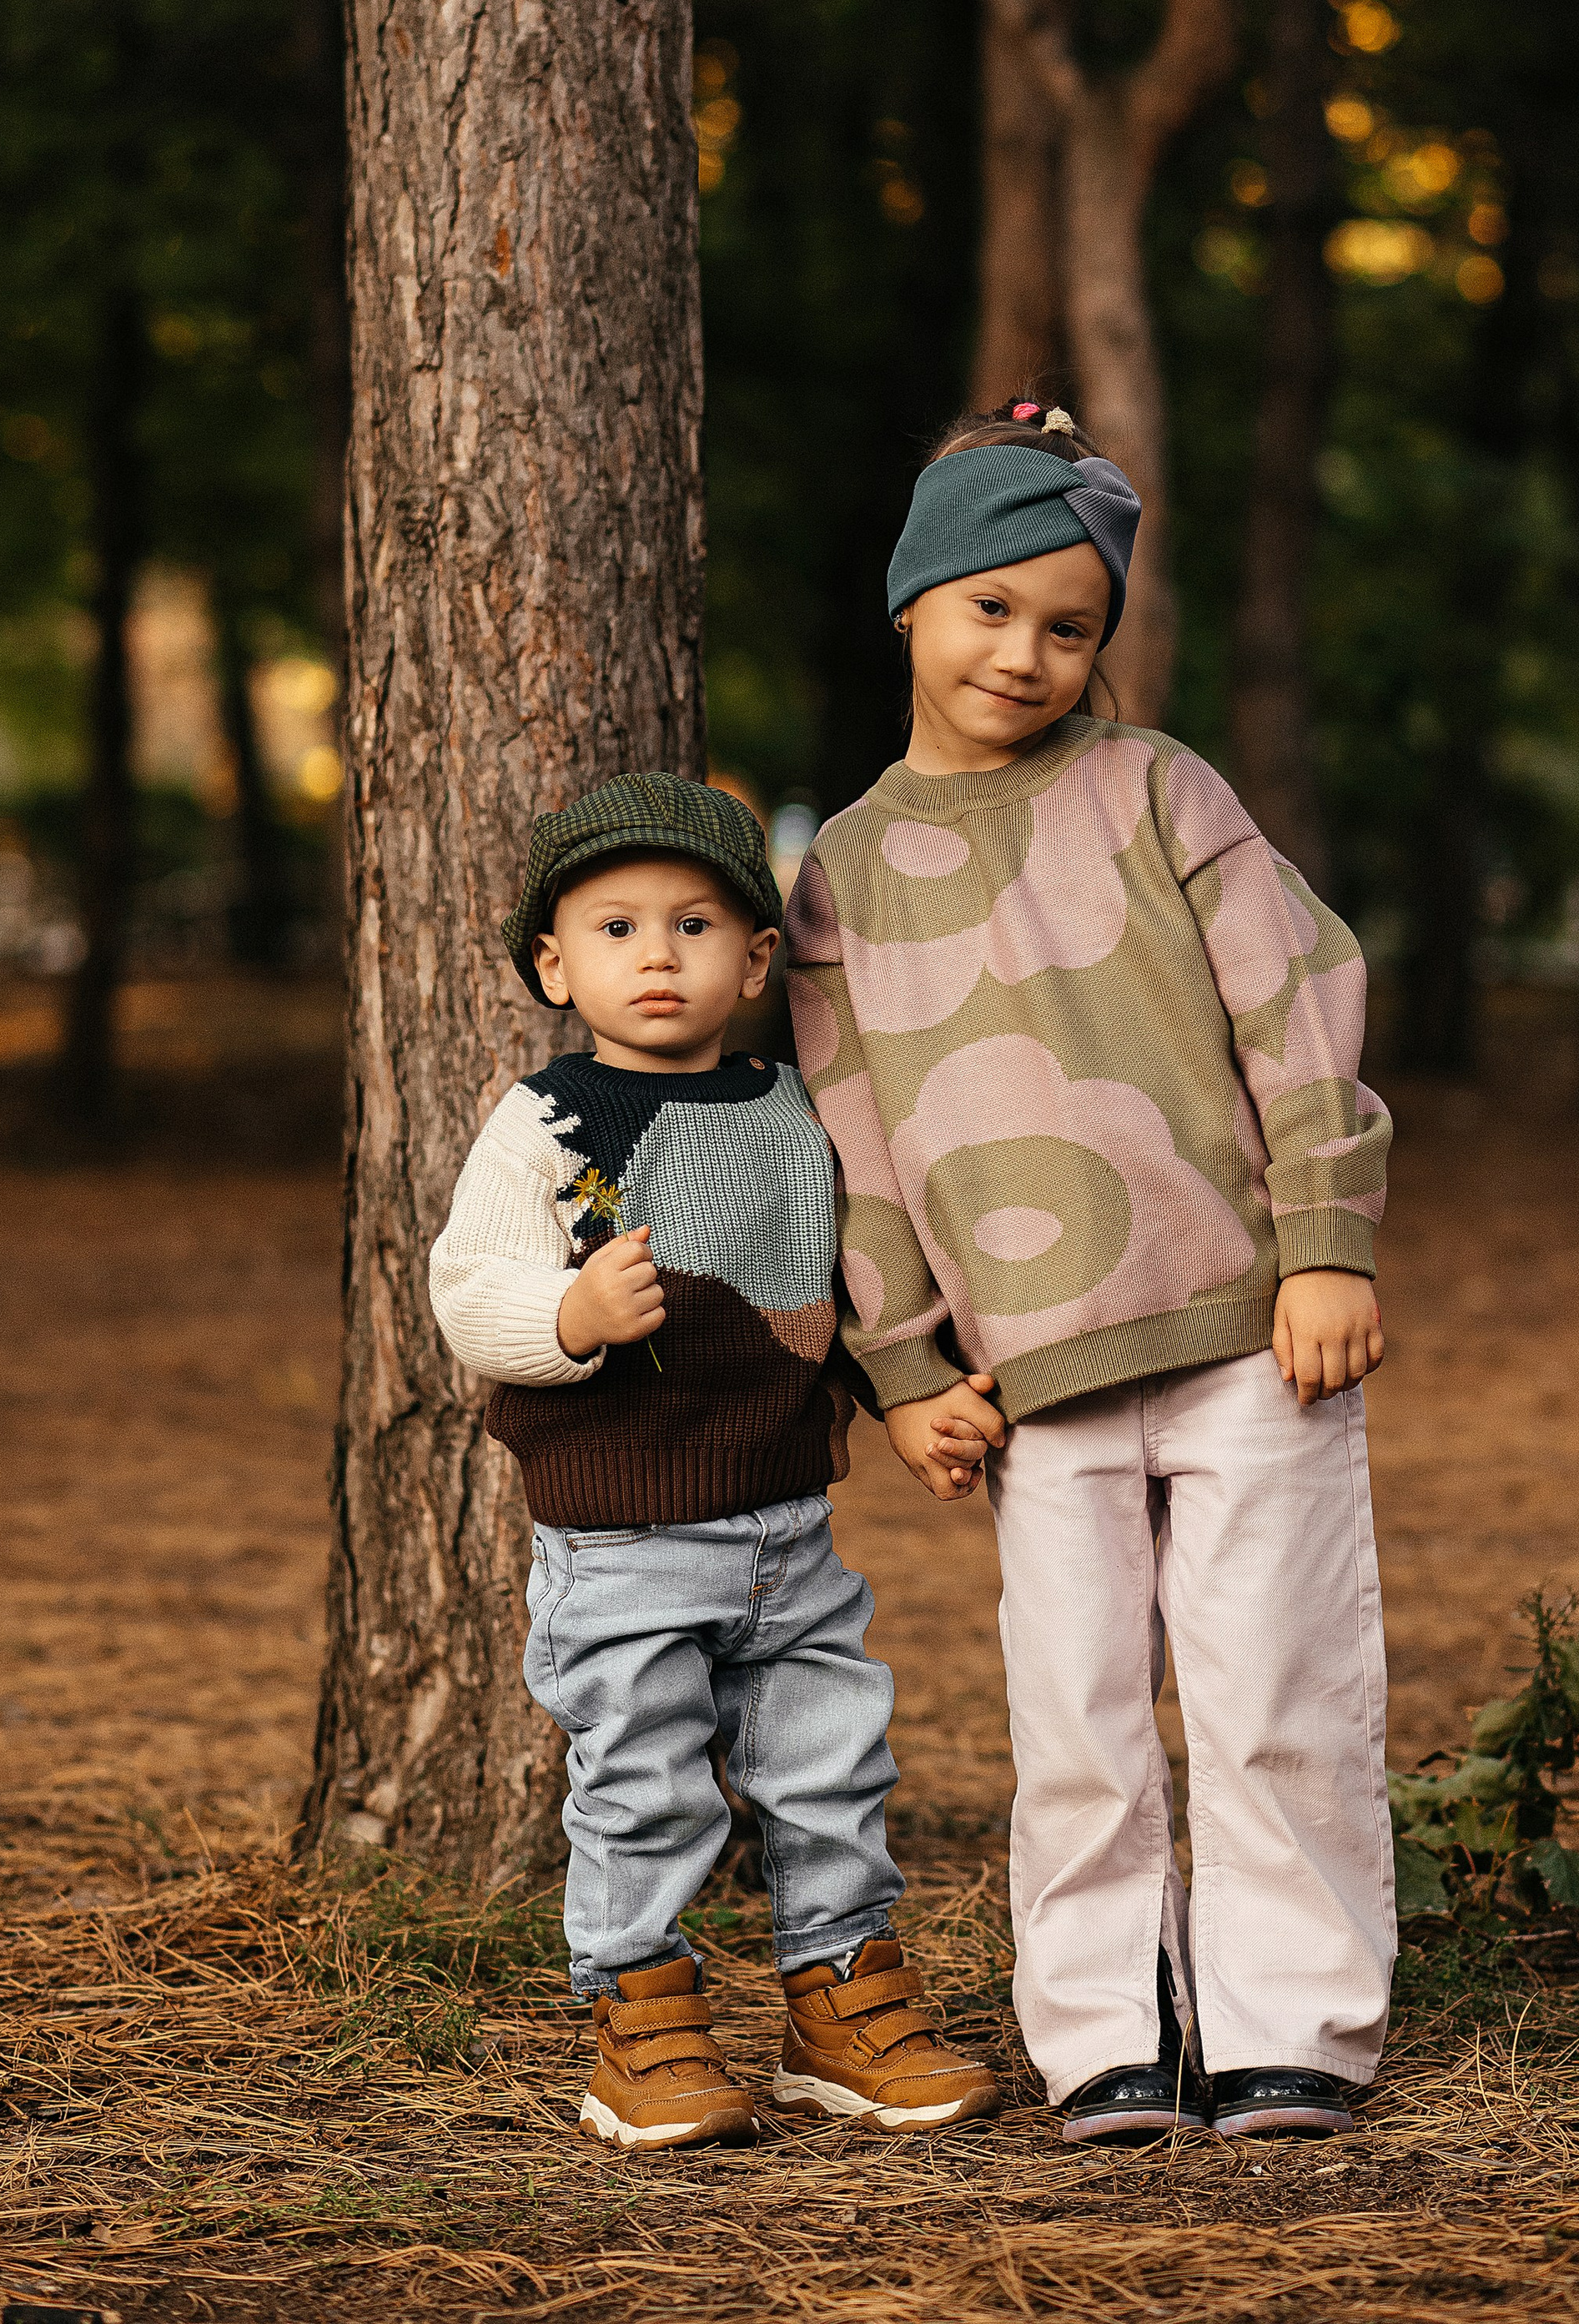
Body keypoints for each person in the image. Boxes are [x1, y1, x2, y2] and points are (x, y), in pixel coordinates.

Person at [784, 405, 1395, 2148]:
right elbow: (854, 1139)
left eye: (1069, 624)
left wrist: (1325, 1238)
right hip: (1026, 1377)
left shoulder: (1156, 788)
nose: (1027, 653)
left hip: (1245, 1332)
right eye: (990, 608)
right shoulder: (835, 874)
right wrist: (900, 1363)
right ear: (909, 602)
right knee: (1071, 1708)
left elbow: (1297, 998)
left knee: (1273, 1680)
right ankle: (1106, 2032)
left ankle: (1294, 2022)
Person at [430, 767, 998, 2152]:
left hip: (788, 1532)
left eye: (694, 928)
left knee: (830, 1762)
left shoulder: (800, 1111)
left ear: (756, 960)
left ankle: (839, 2000)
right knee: (643, 1783)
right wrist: (566, 1317)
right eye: (616, 930)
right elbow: (466, 1283)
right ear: (556, 965)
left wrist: (904, 1395)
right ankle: (644, 2020)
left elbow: (848, 1278)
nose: (658, 957)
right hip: (618, 1543)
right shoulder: (548, 1121)